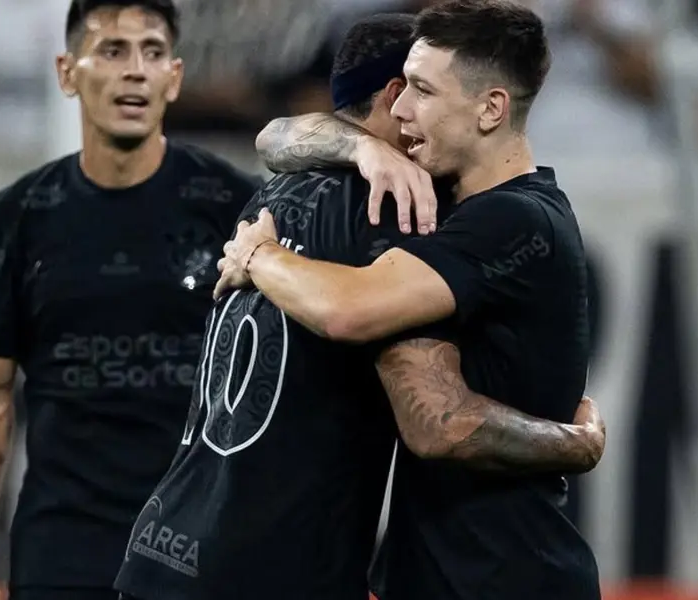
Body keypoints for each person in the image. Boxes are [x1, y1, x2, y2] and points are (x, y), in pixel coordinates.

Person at [115, 12, 604, 600]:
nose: (404, 111)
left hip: (172, 545)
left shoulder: (279, 194)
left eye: (424, 91)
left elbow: (278, 142)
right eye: (406, 89)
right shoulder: (390, 209)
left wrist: (261, 254)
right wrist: (570, 442)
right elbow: (436, 420)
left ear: (491, 108)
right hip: (279, 570)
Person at [0, 2, 268, 600]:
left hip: (196, 542)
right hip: (63, 548)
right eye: (113, 51)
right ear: (67, 72)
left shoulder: (234, 203)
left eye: (152, 52)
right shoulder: (18, 216)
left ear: (173, 78)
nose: (135, 71)